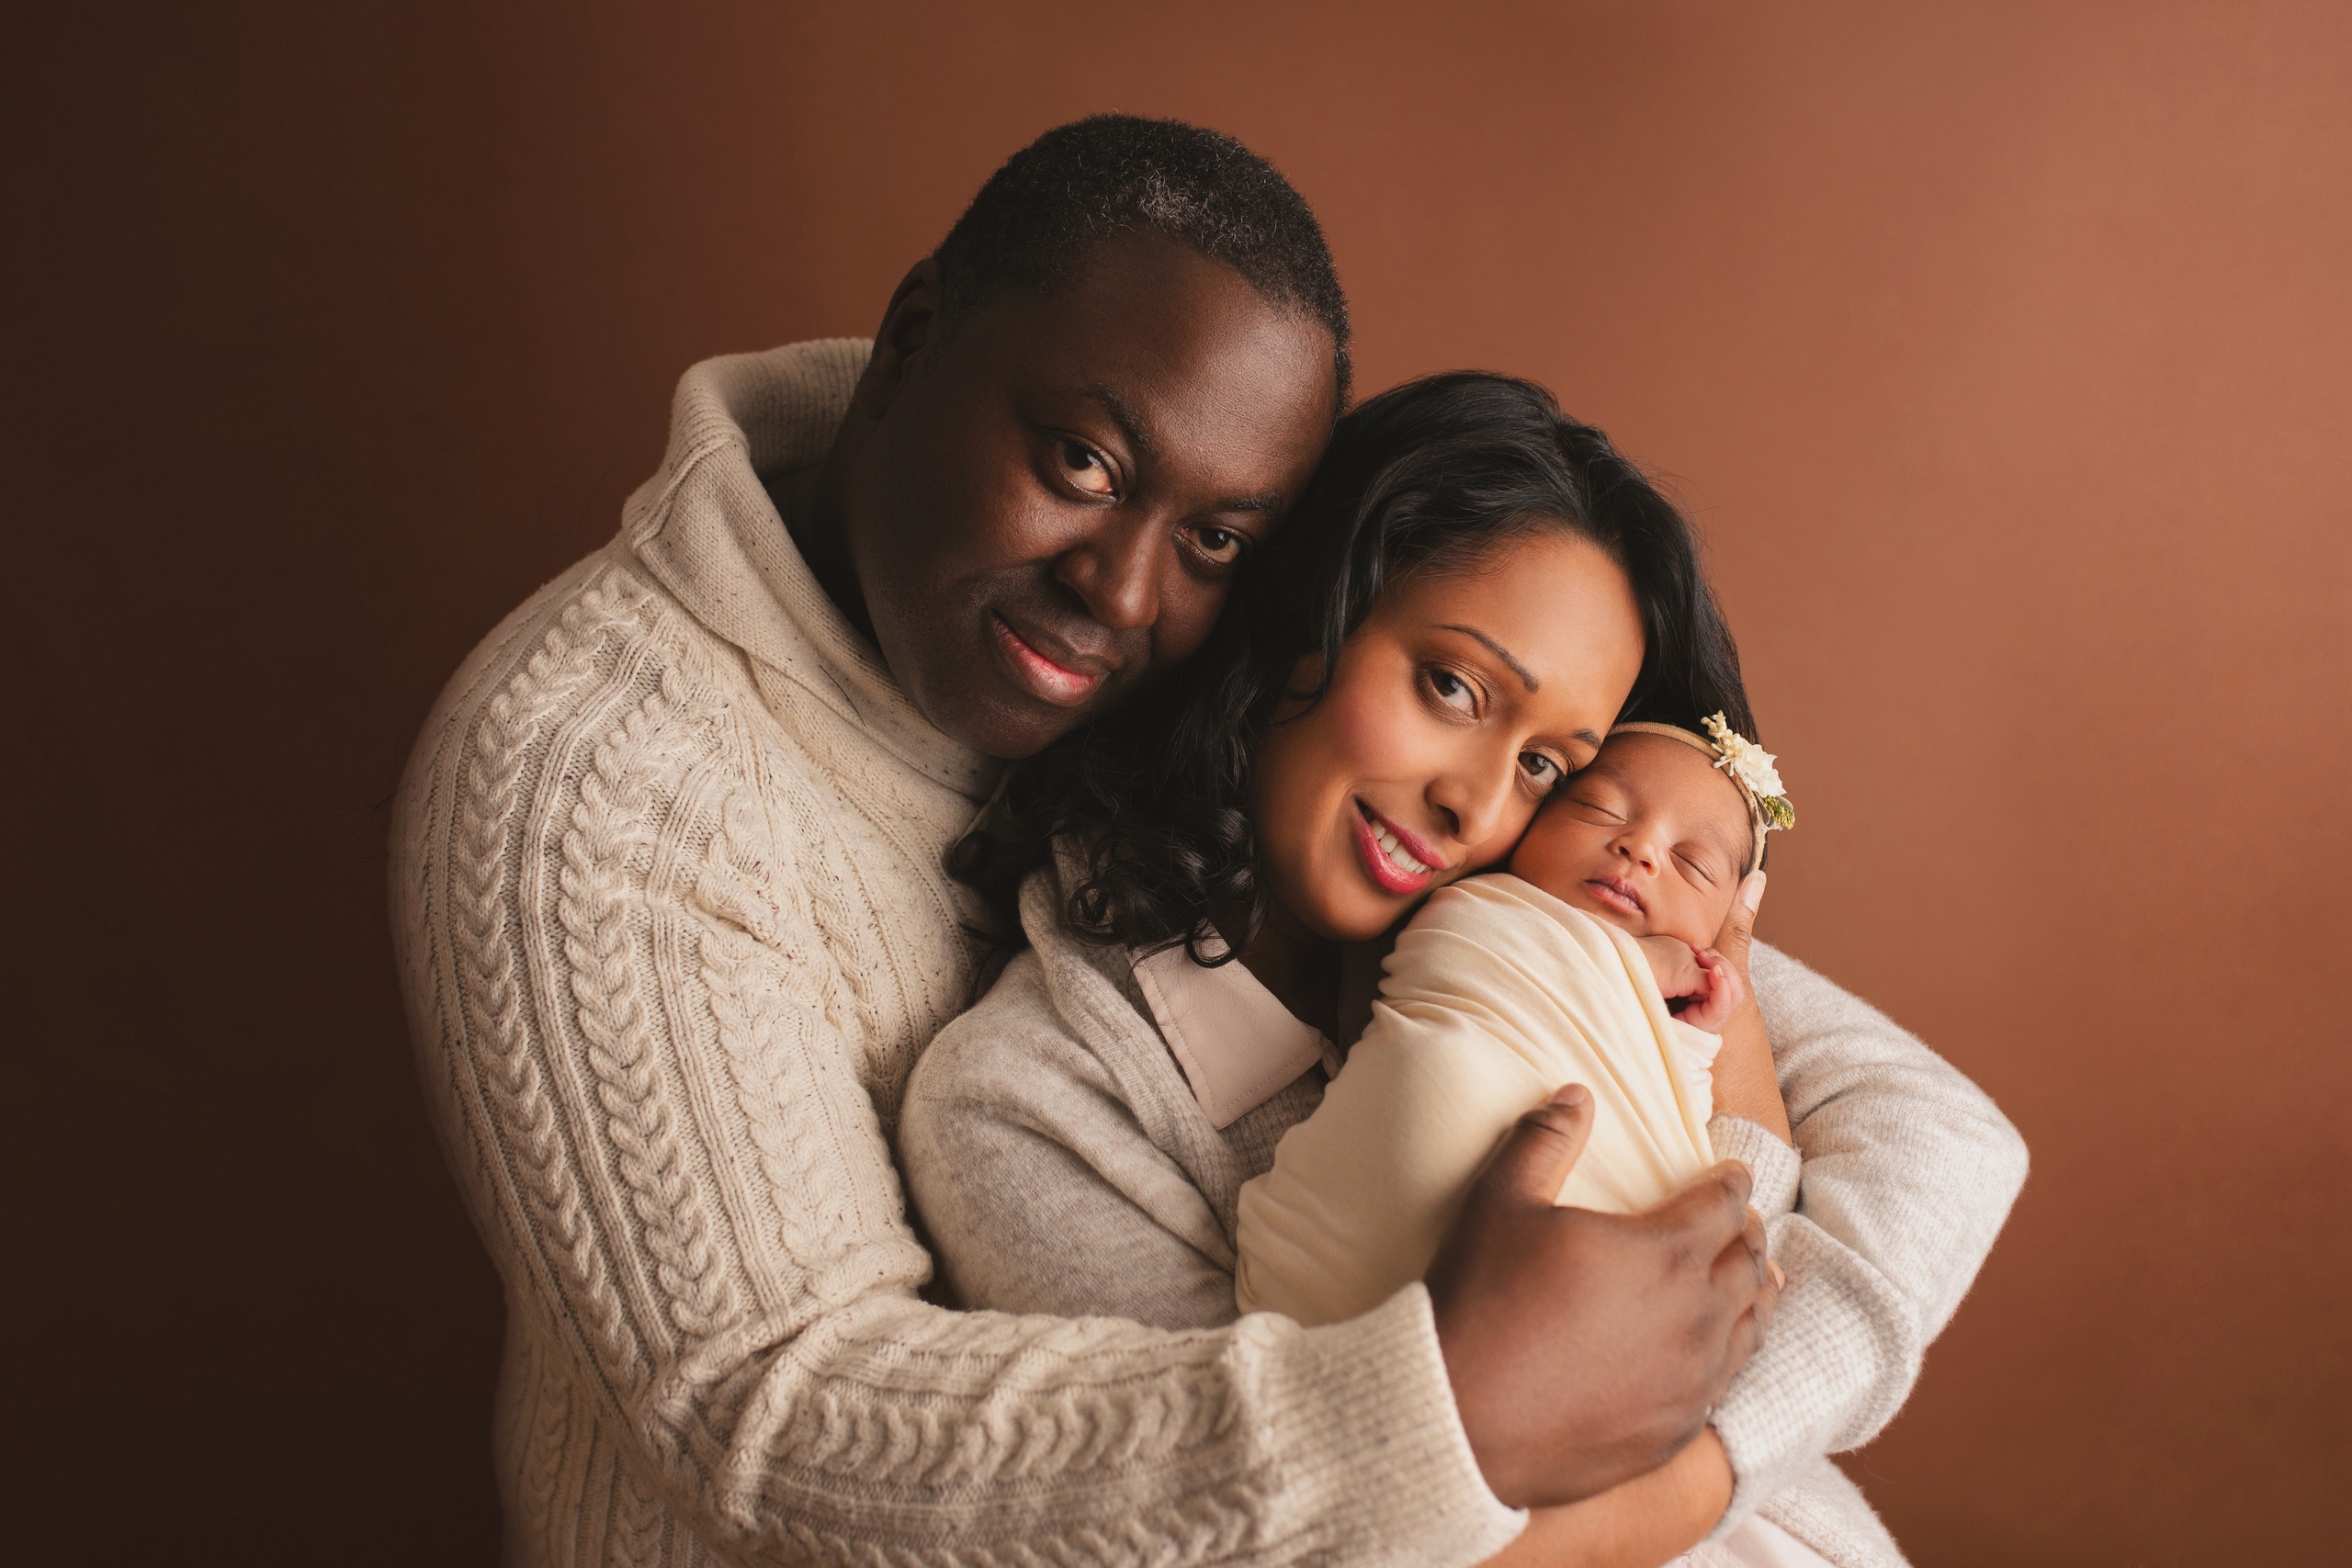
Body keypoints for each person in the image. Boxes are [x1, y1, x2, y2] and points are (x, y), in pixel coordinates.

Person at [390, 117, 1785, 1566]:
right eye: (1080, 461)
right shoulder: (593, 779)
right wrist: (1452, 1409)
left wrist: (1726, 1437)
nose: (1121, 595)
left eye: (1217, 539)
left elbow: (1884, 1117)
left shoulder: (1214, 667)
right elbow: (767, 1410)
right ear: (912, 339)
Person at [899, 373, 2030, 1568]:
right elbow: (1269, 1523)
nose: (1477, 802)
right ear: (1300, 613)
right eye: (1451, 687)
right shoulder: (1034, 1103)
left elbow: (1947, 1142)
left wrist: (1713, 1463)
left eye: (1550, 764)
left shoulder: (1556, 897)